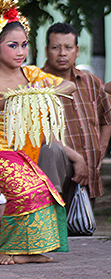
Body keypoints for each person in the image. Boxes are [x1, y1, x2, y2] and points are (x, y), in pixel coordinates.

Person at [0, 0, 73, 265]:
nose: (20, 52)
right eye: (13, 45)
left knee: (42, 191)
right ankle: (8, 248)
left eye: (24, 45)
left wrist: (39, 92)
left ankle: (28, 248)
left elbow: (68, 86)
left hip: (16, 149)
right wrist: (9, 101)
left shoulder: (30, 75)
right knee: (24, 192)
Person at [41, 22, 111, 203]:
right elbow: (39, 134)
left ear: (77, 51)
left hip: (88, 175)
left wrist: (100, 151)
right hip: (54, 173)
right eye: (56, 47)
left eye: (68, 47)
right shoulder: (36, 85)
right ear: (47, 50)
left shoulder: (90, 82)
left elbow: (107, 120)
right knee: (54, 224)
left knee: (82, 227)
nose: (62, 53)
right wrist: (76, 159)